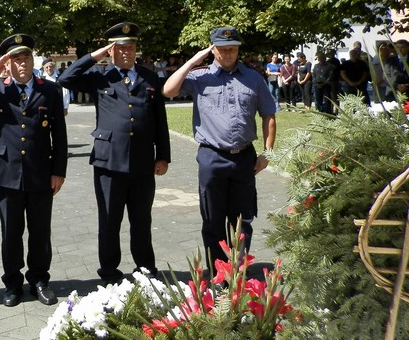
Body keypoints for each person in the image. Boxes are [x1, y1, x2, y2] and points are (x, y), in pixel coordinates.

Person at [0, 34, 67, 307]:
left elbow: (60, 135)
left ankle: (39, 280)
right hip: (6, 172)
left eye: (26, 57)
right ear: (7, 63)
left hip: (40, 171)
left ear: (33, 59)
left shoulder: (49, 90)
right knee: (11, 231)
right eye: (15, 59)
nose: (22, 63)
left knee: (40, 231)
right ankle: (12, 283)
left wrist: (59, 171)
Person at [58, 22, 170, 282]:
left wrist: (163, 155)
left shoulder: (149, 77)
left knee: (141, 219)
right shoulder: (99, 77)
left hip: (142, 161)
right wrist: (94, 56)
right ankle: (109, 271)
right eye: (120, 48)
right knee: (109, 220)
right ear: (111, 51)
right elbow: (65, 79)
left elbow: (160, 118)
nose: (126, 52)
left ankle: (145, 268)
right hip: (108, 161)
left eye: (130, 47)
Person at [162, 27, 276, 264]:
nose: (227, 53)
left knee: (242, 221)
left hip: (244, 158)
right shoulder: (199, 77)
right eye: (222, 49)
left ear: (238, 50)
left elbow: (268, 114)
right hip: (212, 157)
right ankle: (217, 273)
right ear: (212, 49)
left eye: (232, 49)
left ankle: (238, 273)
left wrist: (268, 153)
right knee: (213, 220)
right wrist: (193, 61)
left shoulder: (253, 78)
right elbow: (168, 90)